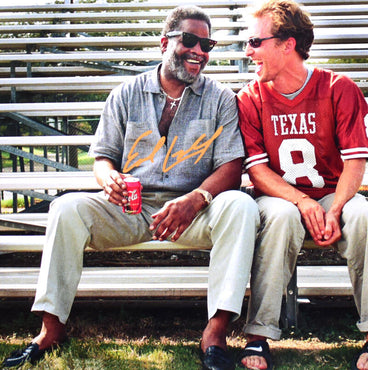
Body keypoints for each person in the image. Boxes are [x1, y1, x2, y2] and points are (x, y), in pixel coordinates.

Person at [2, 6, 259, 370]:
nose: (199, 51)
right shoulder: (126, 92)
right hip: (132, 209)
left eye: (207, 44)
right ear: (164, 42)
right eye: (190, 40)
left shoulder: (221, 98)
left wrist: (196, 199)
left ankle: (215, 333)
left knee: (241, 206)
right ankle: (51, 328)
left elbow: (232, 167)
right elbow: (103, 157)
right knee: (65, 209)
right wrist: (108, 178)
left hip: (194, 212)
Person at [236, 1, 368, 369]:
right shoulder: (249, 98)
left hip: (331, 193)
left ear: (287, 44)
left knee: (365, 219)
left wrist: (335, 207)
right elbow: (258, 172)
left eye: (256, 41)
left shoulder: (339, 88)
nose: (248, 51)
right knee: (280, 218)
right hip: (278, 197)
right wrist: (303, 203)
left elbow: (356, 161)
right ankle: (258, 336)